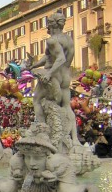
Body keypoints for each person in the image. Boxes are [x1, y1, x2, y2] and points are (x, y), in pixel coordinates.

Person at [26, 10, 79, 147]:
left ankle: (43, 132)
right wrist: (35, 64)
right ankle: (75, 140)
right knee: (66, 106)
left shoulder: (51, 40)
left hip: (54, 74)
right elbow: (51, 57)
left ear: (51, 25)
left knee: (36, 100)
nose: (47, 28)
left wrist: (48, 74)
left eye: (47, 25)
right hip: (66, 75)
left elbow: (59, 58)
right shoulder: (68, 39)